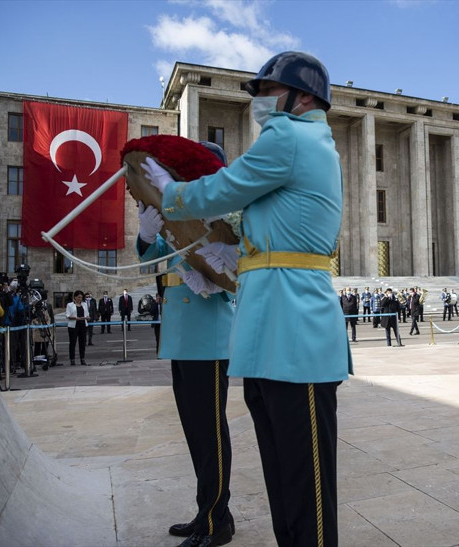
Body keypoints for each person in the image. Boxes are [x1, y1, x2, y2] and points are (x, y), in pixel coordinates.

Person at [143, 51, 351, 546]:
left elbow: (225, 188)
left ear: (304, 98)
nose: (260, 100)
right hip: (272, 326)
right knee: (283, 470)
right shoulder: (300, 143)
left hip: (293, 326)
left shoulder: (291, 137)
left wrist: (171, 192)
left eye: (268, 90)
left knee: (303, 478)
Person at [135, 143, 236, 547]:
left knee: (210, 433)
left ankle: (216, 521)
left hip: (208, 338)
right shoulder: (181, 219)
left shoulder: (222, 219)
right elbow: (151, 257)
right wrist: (146, 235)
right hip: (181, 337)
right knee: (196, 432)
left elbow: (235, 274)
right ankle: (207, 511)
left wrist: (210, 279)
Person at [4, 279, 29, 372]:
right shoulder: (6, 295)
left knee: (16, 346)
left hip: (15, 323)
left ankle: (16, 363)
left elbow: (20, 309)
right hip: (7, 323)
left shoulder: (17, 296)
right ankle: (8, 365)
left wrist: (28, 305)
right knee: (9, 346)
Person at [65, 290, 90, 366]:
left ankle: (82, 358)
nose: (80, 299)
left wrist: (87, 317)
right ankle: (72, 359)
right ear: (75, 297)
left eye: (81, 297)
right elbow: (68, 315)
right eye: (79, 297)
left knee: (82, 343)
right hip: (74, 325)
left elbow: (87, 314)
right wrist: (76, 318)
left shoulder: (84, 304)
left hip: (83, 325)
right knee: (72, 343)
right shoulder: (70, 305)